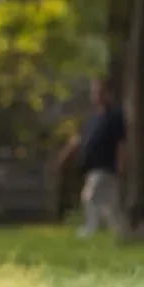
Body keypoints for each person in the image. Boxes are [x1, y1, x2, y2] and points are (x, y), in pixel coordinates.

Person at [54, 78, 127, 237]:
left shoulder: (115, 116)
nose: (97, 96)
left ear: (109, 93)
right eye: (94, 92)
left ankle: (91, 229)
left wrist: (121, 164)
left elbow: (122, 143)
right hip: (91, 167)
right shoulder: (93, 119)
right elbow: (80, 140)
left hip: (106, 165)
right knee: (110, 203)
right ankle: (120, 230)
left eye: (101, 92)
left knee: (90, 196)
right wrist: (65, 155)